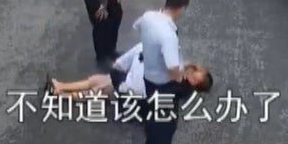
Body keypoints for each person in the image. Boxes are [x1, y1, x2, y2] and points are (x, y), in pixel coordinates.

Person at [45, 43, 213, 111]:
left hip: (129, 86)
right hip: (128, 79)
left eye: (196, 78)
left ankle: (59, 93)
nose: (193, 75)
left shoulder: (180, 86)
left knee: (94, 90)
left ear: (196, 83)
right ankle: (59, 88)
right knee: (94, 82)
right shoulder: (182, 75)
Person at [135, 0, 190, 144]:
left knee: (151, 113)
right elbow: (172, 68)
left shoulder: (149, 16)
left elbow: (138, 27)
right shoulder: (168, 35)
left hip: (148, 78)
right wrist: (182, 77)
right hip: (164, 85)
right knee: (166, 125)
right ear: (181, 8)